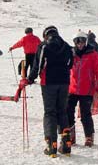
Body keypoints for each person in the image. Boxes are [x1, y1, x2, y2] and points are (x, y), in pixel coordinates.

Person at [28, 26, 73, 157]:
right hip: (64, 82)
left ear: (45, 35)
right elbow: (70, 63)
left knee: (50, 112)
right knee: (62, 111)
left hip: (48, 83)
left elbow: (38, 64)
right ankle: (66, 144)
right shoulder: (66, 46)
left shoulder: (44, 46)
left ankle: (51, 144)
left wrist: (31, 78)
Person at [67, 31, 98, 147]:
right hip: (72, 89)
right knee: (68, 112)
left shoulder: (93, 55)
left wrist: (97, 90)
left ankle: (89, 136)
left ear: (86, 41)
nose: (80, 45)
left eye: (82, 42)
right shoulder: (71, 54)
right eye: (77, 42)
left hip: (87, 90)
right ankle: (70, 136)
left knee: (85, 115)